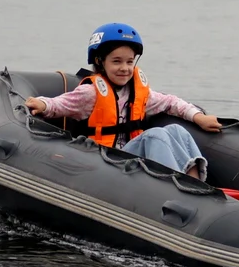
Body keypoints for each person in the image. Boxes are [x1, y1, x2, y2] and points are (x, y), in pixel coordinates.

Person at [25, 23, 222, 179]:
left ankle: (195, 182)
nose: (125, 68)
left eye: (129, 62)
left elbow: (170, 102)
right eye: (116, 61)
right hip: (106, 160)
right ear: (100, 61)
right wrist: (43, 104)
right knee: (154, 136)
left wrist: (197, 117)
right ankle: (178, 184)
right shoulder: (91, 92)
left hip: (130, 156)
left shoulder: (139, 93)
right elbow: (61, 104)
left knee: (176, 130)